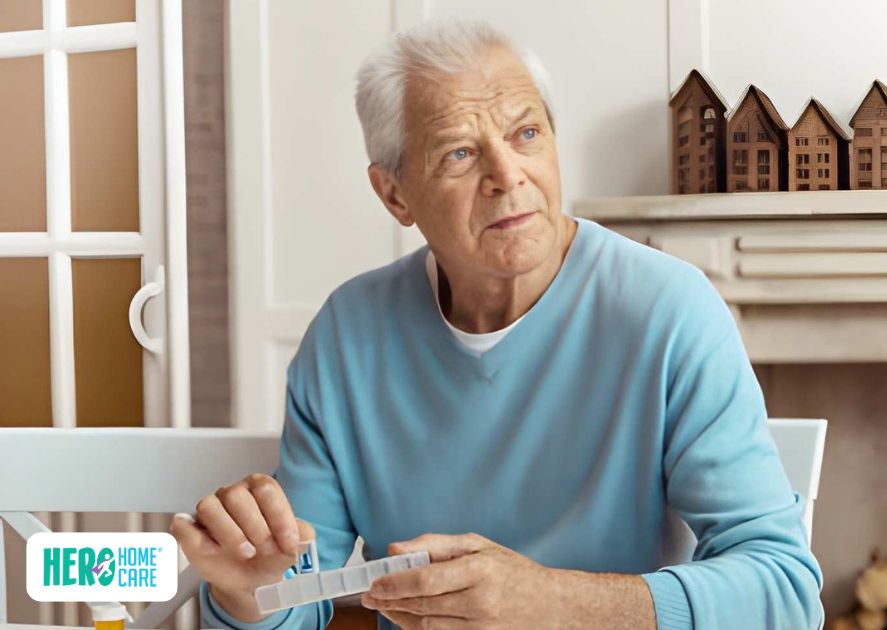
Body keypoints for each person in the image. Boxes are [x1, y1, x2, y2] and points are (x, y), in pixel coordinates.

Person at [170, 19, 823, 630]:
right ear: (394, 194)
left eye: (526, 134)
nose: (508, 176)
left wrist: (554, 603)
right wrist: (249, 595)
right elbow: (297, 597)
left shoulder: (669, 311)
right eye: (459, 153)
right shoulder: (347, 336)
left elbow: (786, 594)